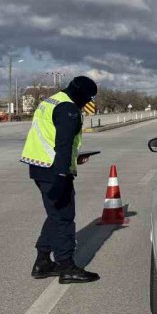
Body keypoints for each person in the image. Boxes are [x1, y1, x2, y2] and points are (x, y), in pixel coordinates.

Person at [20, 76, 100, 283]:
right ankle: (66, 267)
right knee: (64, 218)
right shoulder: (68, 109)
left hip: (40, 166)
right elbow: (63, 144)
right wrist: (62, 174)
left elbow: (49, 136)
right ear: (83, 95)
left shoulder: (51, 101)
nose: (88, 102)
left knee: (55, 214)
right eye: (88, 98)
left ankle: (43, 262)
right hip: (54, 171)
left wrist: (74, 158)